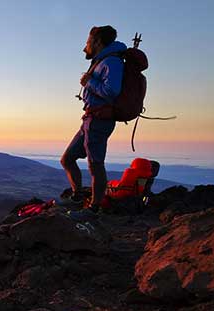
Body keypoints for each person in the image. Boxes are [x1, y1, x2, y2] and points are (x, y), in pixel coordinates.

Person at [58, 25, 127, 221]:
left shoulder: (112, 62)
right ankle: (77, 197)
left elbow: (112, 91)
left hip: (99, 120)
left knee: (96, 165)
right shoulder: (102, 61)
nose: (85, 48)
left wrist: (89, 81)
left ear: (97, 42)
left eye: (87, 42)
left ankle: (94, 209)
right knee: (67, 159)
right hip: (90, 119)